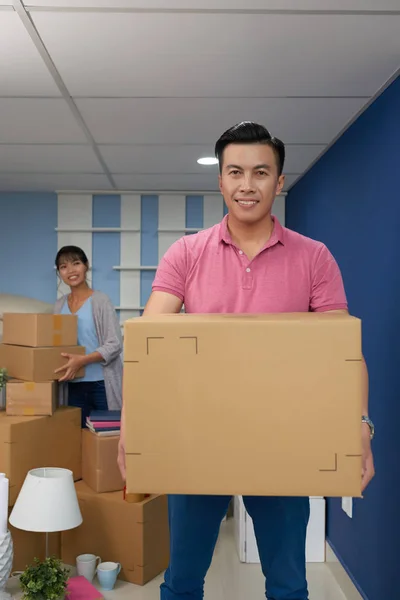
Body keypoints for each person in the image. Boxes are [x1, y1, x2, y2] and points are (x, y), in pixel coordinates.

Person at [117, 122, 375, 600]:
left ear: (278, 182)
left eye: (260, 172)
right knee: (182, 582)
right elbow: (147, 348)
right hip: (197, 434)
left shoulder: (315, 257)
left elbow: (344, 351)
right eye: (234, 172)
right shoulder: (186, 254)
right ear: (220, 180)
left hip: (284, 437)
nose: (246, 184)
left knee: (288, 585)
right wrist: (133, 426)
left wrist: (359, 424)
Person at [53, 245, 123, 428]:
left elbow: (115, 344)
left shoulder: (101, 301)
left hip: (102, 384)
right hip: (72, 385)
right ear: (59, 272)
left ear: (86, 266)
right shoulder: (59, 306)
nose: (71, 270)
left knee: (108, 440)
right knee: (76, 440)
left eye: (76, 263)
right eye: (63, 266)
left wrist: (82, 360)